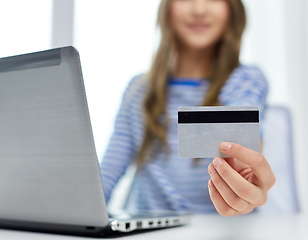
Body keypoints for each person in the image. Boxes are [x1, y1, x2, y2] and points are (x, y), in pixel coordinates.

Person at [100, 0, 275, 216]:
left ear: (232, 10)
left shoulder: (246, 80)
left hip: (222, 230)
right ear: (167, 9)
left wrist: (244, 173)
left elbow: (246, 134)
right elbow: (106, 176)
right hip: (149, 230)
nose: (199, 10)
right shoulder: (139, 90)